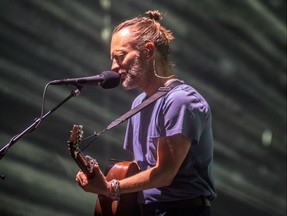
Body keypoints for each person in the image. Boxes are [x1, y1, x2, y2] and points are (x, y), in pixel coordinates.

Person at [76, 10, 217, 216]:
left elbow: (164, 174)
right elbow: (140, 167)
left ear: (148, 51)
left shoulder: (179, 100)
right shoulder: (139, 103)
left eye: (120, 56)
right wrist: (95, 175)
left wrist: (109, 187)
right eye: (112, 59)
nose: (114, 67)